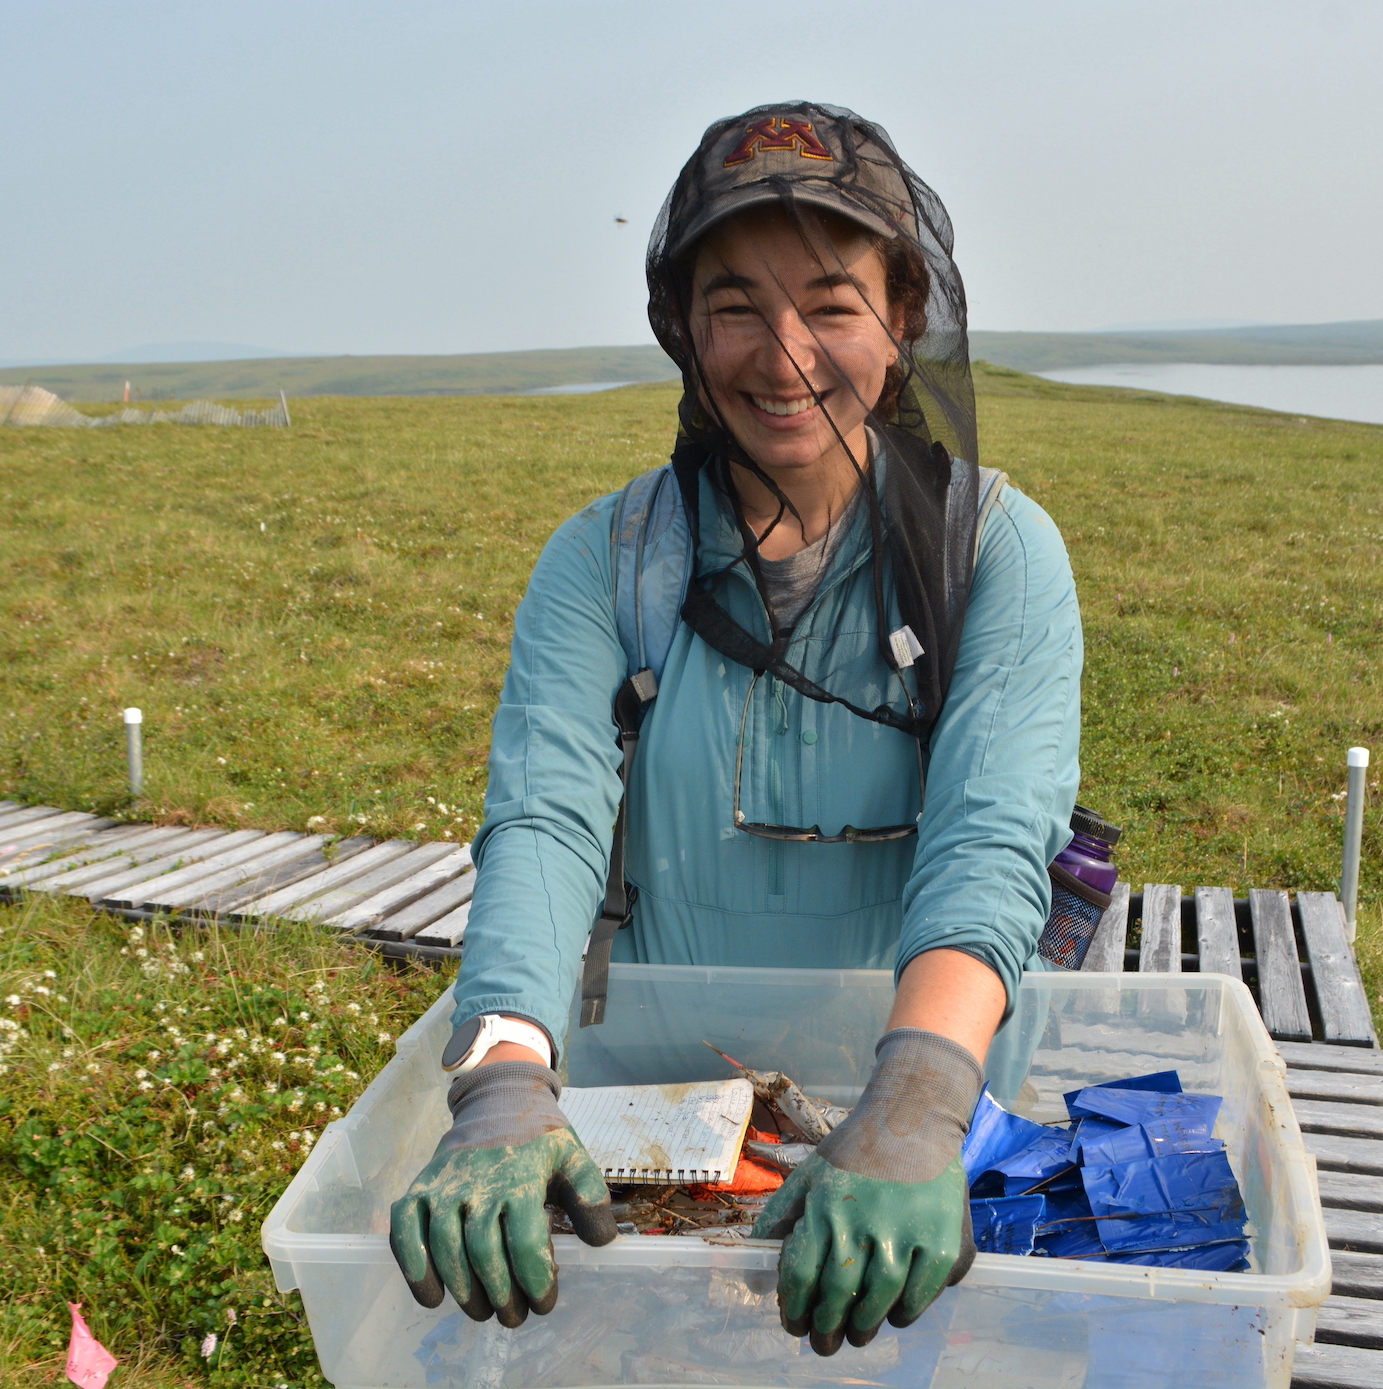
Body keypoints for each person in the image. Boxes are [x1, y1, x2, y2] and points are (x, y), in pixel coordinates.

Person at [388, 102, 1083, 1357]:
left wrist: (920, 1101)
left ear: (902, 317)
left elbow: (991, 837)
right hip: (642, 1129)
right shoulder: (606, 561)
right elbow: (543, 819)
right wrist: (499, 1084)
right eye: (732, 307)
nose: (782, 355)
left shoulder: (995, 554)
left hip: (909, 1117)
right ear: (682, 328)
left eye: (830, 302)